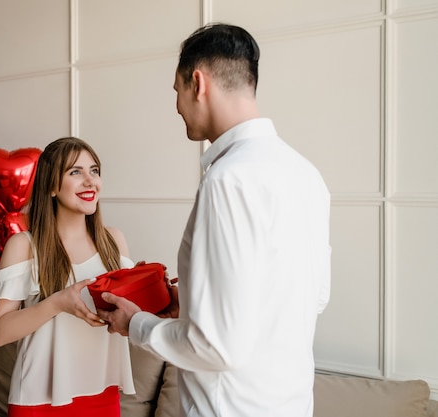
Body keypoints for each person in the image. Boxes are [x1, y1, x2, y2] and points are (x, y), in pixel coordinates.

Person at [98, 23, 331, 417]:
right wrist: (191, 304)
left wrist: (135, 324)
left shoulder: (228, 180)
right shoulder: (306, 174)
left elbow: (216, 345)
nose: (177, 107)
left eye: (176, 92)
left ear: (197, 83)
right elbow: (312, 297)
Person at [0, 137, 136, 417]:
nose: (90, 181)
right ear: (52, 186)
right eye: (75, 172)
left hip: (103, 394)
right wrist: (57, 303)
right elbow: (0, 333)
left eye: (95, 170)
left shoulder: (114, 241)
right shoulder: (24, 246)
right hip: (39, 399)